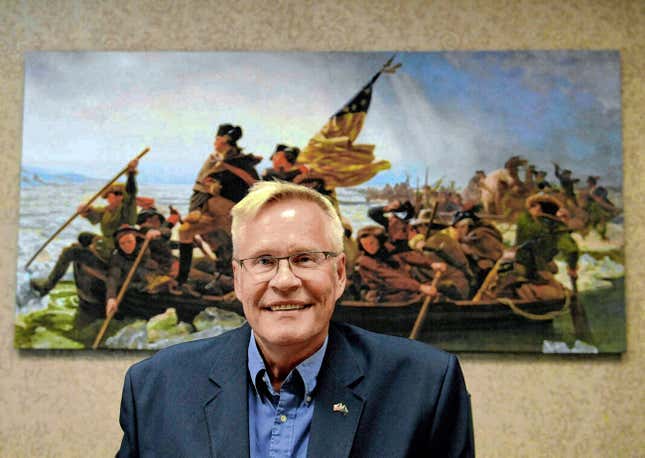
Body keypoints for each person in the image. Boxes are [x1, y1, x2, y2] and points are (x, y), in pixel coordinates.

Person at [117, 181, 474, 457]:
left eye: (305, 258)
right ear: (238, 279)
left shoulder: (425, 386)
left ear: (339, 274)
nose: (285, 281)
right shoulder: (155, 388)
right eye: (263, 261)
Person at [30, 159, 139, 296]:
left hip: (113, 253)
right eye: (111, 196)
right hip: (106, 244)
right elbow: (95, 214)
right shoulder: (108, 210)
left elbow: (131, 194)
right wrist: (86, 211)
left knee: (70, 252)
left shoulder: (126, 210)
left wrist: (130, 175)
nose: (112, 198)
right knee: (84, 236)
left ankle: (46, 287)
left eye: (116, 195)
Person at [177, 123, 261, 284]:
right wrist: (211, 186)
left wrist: (226, 167)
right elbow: (202, 186)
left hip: (233, 212)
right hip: (210, 210)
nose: (214, 142)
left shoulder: (240, 161)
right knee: (184, 232)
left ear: (224, 140)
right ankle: (182, 279)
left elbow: (254, 184)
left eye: (217, 139)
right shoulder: (212, 160)